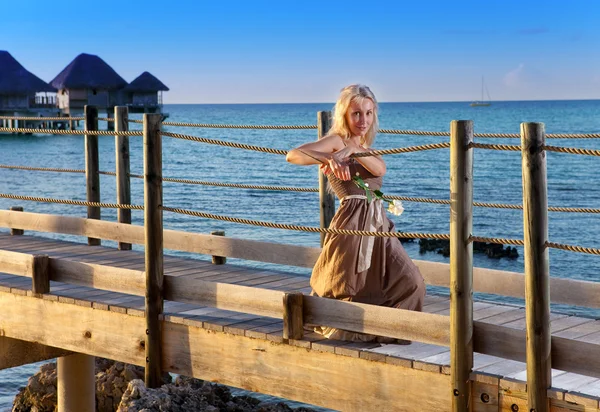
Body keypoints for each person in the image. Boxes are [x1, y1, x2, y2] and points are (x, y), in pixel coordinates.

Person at [286, 84, 426, 342]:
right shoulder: (337, 140)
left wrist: (354, 150)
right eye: (357, 114)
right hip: (351, 222)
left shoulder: (362, 144)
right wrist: (328, 158)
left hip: (378, 223)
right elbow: (292, 156)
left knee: (410, 281)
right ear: (345, 115)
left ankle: (392, 332)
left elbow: (380, 169)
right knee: (344, 285)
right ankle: (343, 332)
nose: (363, 120)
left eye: (369, 113)